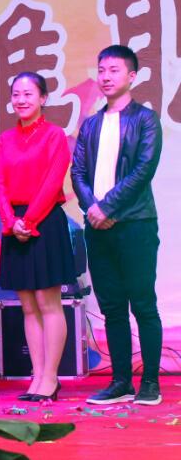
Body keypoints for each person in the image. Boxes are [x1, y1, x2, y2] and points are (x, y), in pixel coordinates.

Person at [72, 45, 164, 406]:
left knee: (143, 303)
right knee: (112, 308)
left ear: (132, 76)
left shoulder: (146, 119)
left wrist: (107, 207)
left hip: (135, 224)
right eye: (101, 70)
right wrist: (92, 209)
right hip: (98, 227)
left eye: (114, 70)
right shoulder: (91, 124)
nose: (106, 77)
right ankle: (121, 382)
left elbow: (143, 170)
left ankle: (150, 382)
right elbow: (78, 172)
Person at [0, 72, 75, 402]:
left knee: (48, 302)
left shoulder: (55, 135)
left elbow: (53, 182)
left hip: (44, 221)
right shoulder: (5, 139)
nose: (21, 99)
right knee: (28, 305)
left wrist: (28, 221)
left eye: (28, 94)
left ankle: (51, 378)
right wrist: (11, 221)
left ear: (43, 98)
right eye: (16, 94)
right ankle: (37, 376)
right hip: (15, 225)